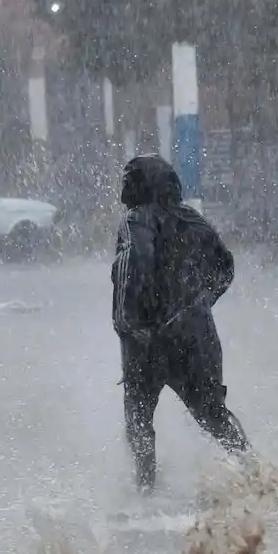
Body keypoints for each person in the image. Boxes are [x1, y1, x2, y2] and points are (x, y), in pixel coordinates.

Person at [110, 154, 250, 493]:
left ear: (141, 186)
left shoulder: (135, 219)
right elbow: (225, 266)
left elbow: (138, 262)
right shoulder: (192, 218)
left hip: (148, 338)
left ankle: (145, 491)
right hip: (195, 334)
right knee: (213, 414)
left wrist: (128, 322)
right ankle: (257, 472)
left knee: (139, 420)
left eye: (129, 180)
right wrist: (199, 304)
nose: (123, 188)